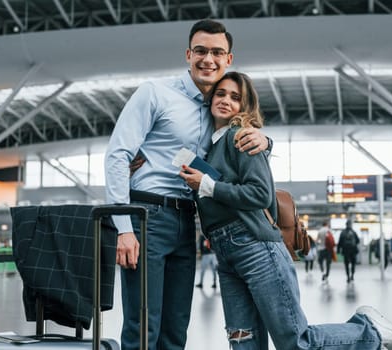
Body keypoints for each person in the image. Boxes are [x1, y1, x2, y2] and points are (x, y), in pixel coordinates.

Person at [179, 71, 392, 350]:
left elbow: (260, 194)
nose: (225, 100)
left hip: (255, 248)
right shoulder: (208, 147)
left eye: (235, 98)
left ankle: (370, 333)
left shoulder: (242, 138)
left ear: (244, 107)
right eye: (221, 94)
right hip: (226, 255)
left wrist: (209, 186)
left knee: (295, 342)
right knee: (242, 340)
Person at [104, 19, 270, 350]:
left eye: (217, 52)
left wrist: (266, 140)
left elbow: (241, 134)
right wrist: (123, 227)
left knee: (177, 324)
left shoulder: (219, 107)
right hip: (147, 215)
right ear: (188, 55)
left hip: (187, 220)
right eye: (201, 51)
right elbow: (117, 155)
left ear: (228, 59)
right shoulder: (155, 93)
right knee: (143, 321)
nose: (208, 59)